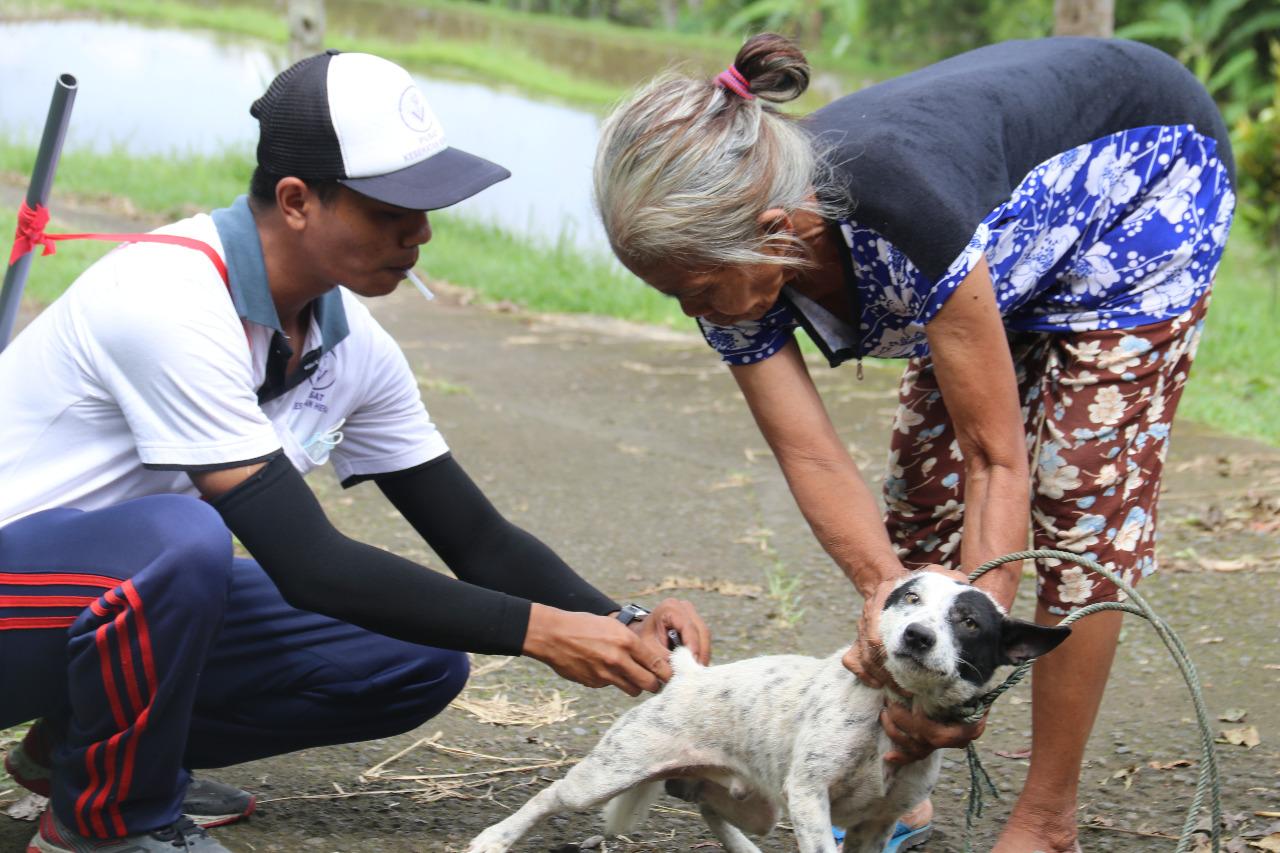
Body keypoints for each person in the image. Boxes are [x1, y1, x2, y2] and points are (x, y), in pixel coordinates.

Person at [0, 50, 710, 853]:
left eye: (429, 207)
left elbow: (476, 539)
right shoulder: (164, 298)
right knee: (180, 542)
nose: (422, 233)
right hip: (22, 596)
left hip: (91, 613)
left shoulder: (348, 344)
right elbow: (311, 564)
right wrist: (541, 630)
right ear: (298, 201)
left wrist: (626, 622)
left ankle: (88, 755)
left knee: (416, 654)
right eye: (391, 211)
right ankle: (105, 827)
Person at [593, 33, 1233, 853]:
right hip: (996, 229)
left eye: (692, 290)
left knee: (1077, 499)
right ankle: (894, 782)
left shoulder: (904, 213)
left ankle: (1046, 819)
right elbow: (812, 454)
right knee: (920, 509)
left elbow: (996, 458)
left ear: (774, 230)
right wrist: (879, 592)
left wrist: (966, 683)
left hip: (1141, 186)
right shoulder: (731, 254)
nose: (692, 311)